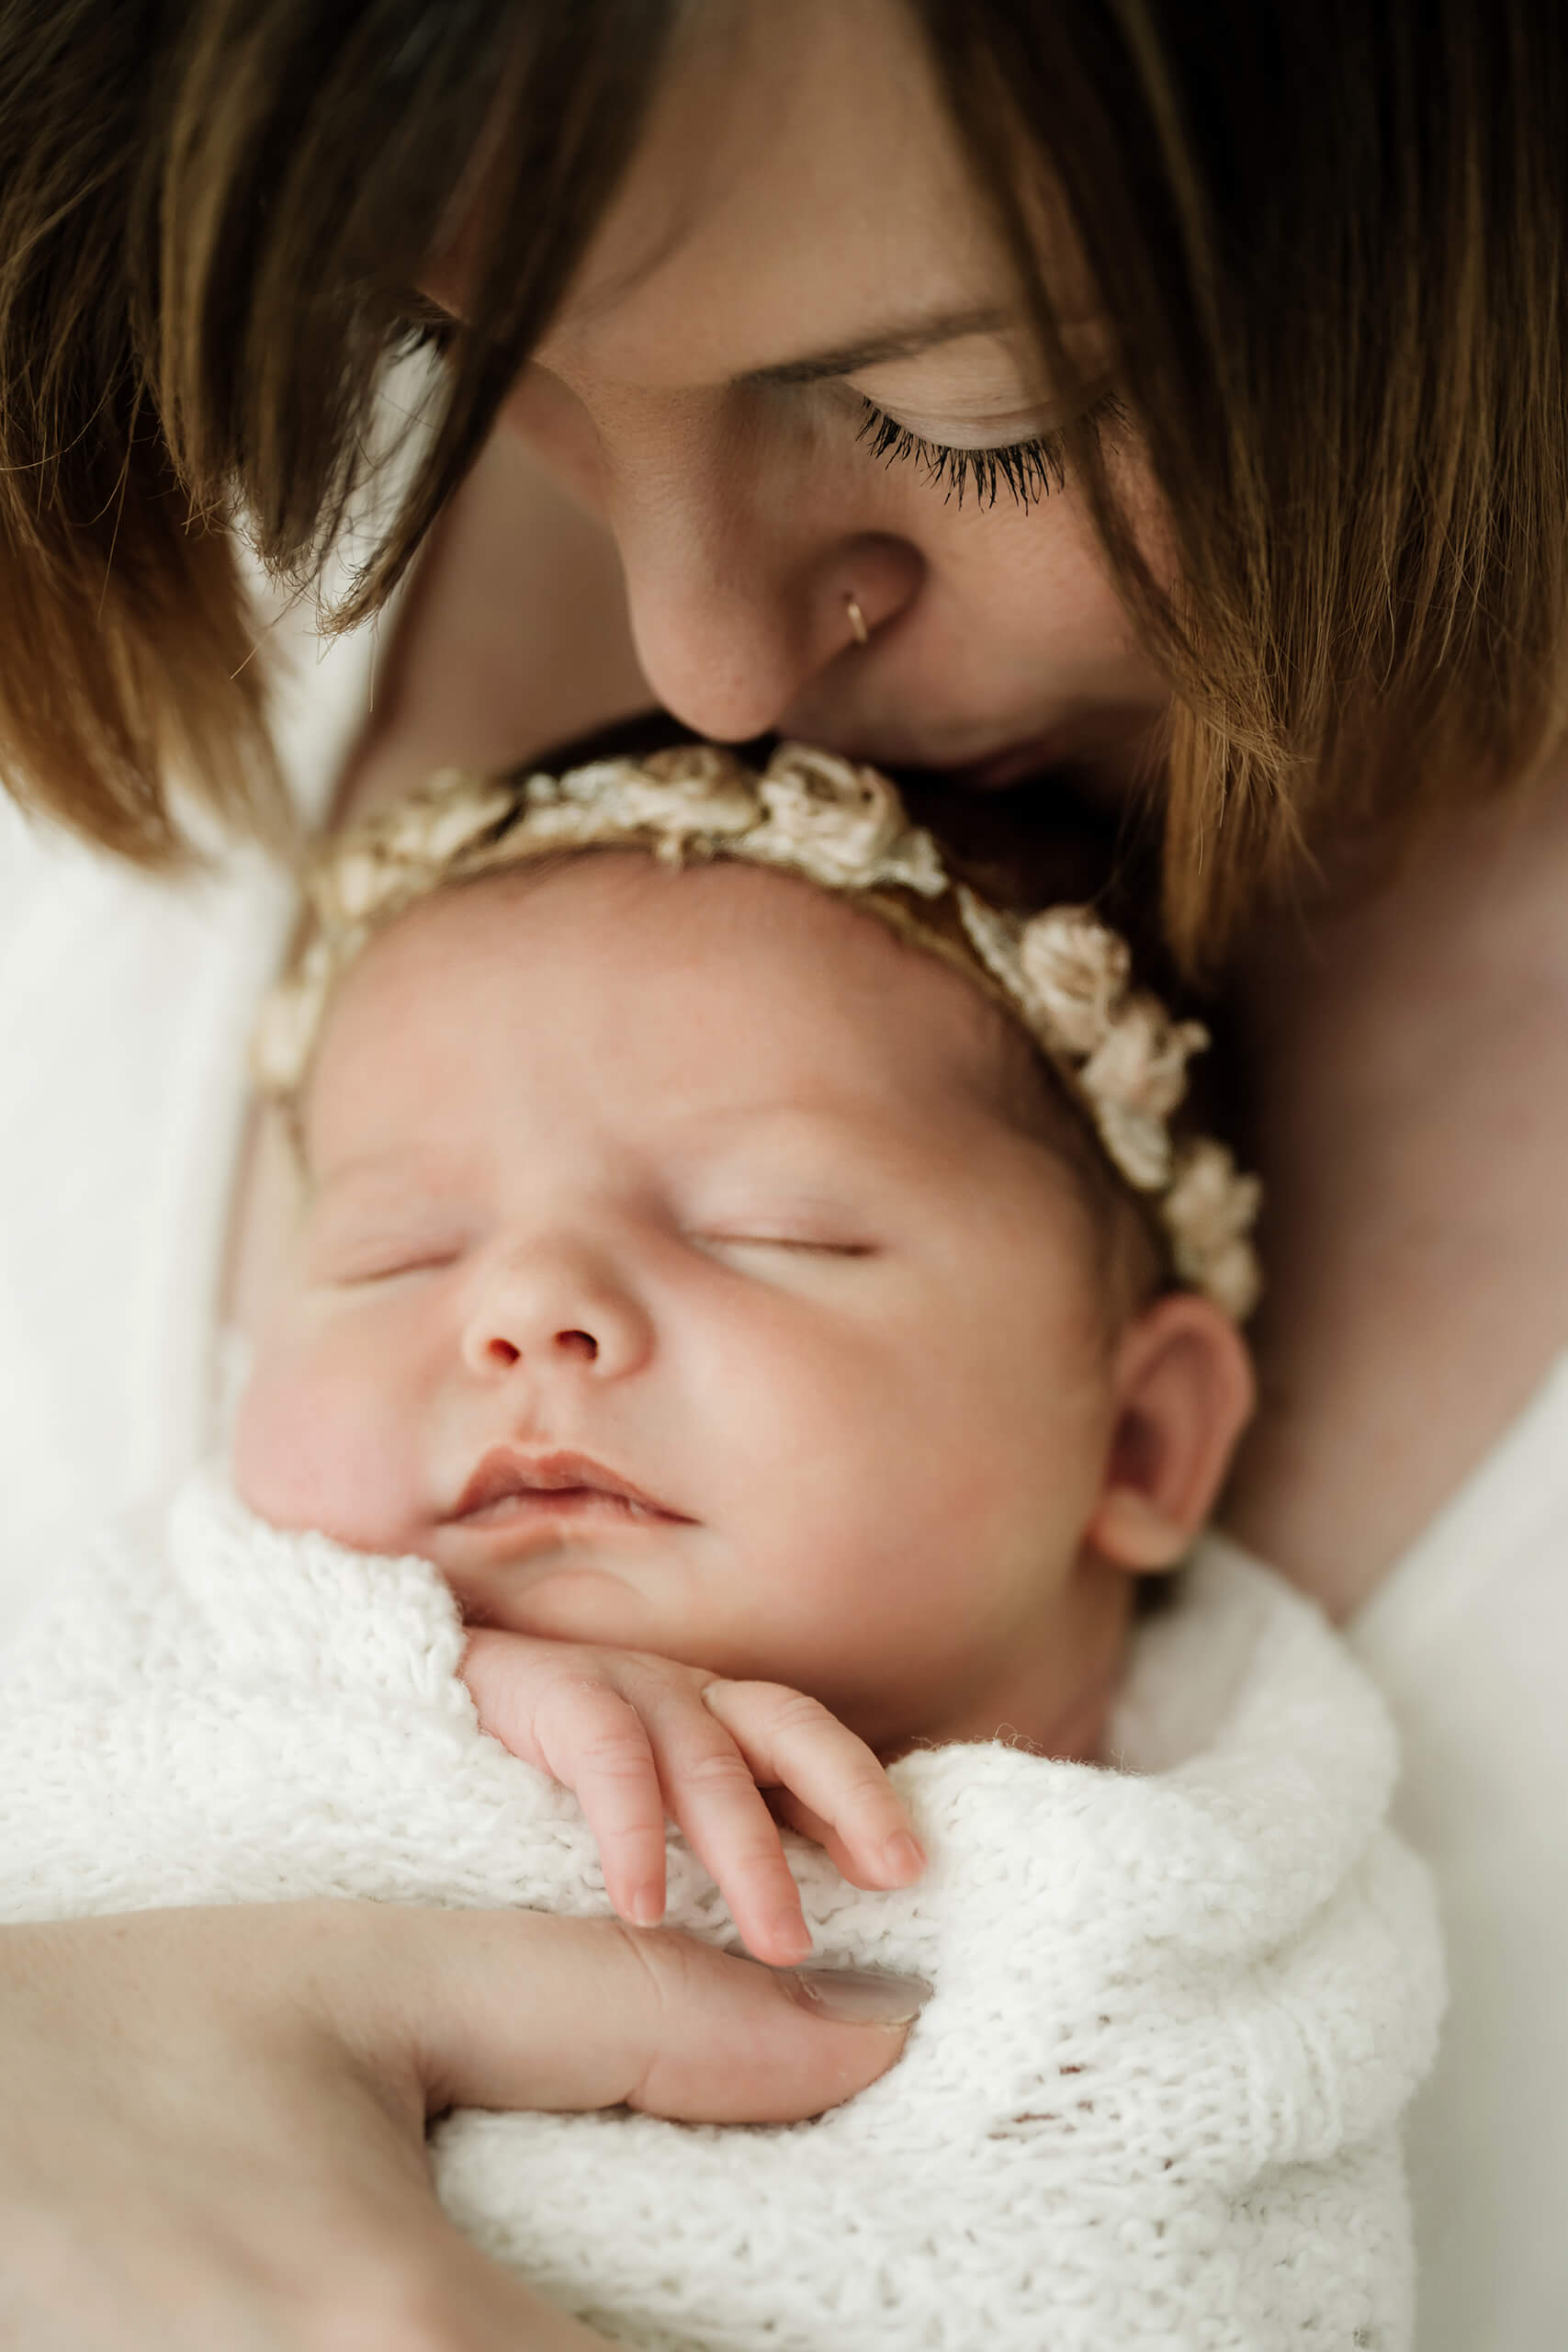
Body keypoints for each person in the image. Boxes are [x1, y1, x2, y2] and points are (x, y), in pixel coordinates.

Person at [1, 1, 1563, 2346]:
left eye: (977, 420)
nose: (702, 658)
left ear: (1141, 1429)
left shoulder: (1208, 1893)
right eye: (467, 337)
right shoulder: (155, 506)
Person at [0, 744, 1440, 2350]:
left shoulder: (1224, 1928)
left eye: (766, 1229)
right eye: (394, 1251)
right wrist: (453, 1696)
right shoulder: (204, 1658)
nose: (525, 1308)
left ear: (1139, 1439)